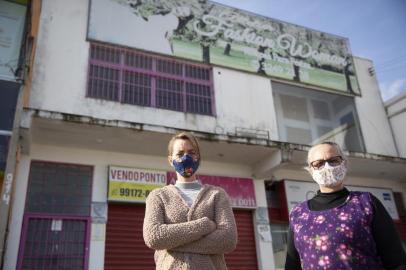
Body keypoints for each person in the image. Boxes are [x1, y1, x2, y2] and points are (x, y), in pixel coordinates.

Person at [285, 141, 406, 270]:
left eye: (334, 160)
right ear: (310, 170)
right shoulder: (298, 213)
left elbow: (396, 260)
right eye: (319, 163)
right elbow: (292, 265)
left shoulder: (366, 203)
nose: (327, 167)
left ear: (344, 163)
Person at [143, 132, 238, 270]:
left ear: (198, 157)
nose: (186, 157)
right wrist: (205, 225)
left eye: (191, 152)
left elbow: (228, 240)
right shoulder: (158, 196)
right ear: (170, 160)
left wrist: (172, 242)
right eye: (180, 153)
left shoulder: (217, 194)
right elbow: (154, 237)